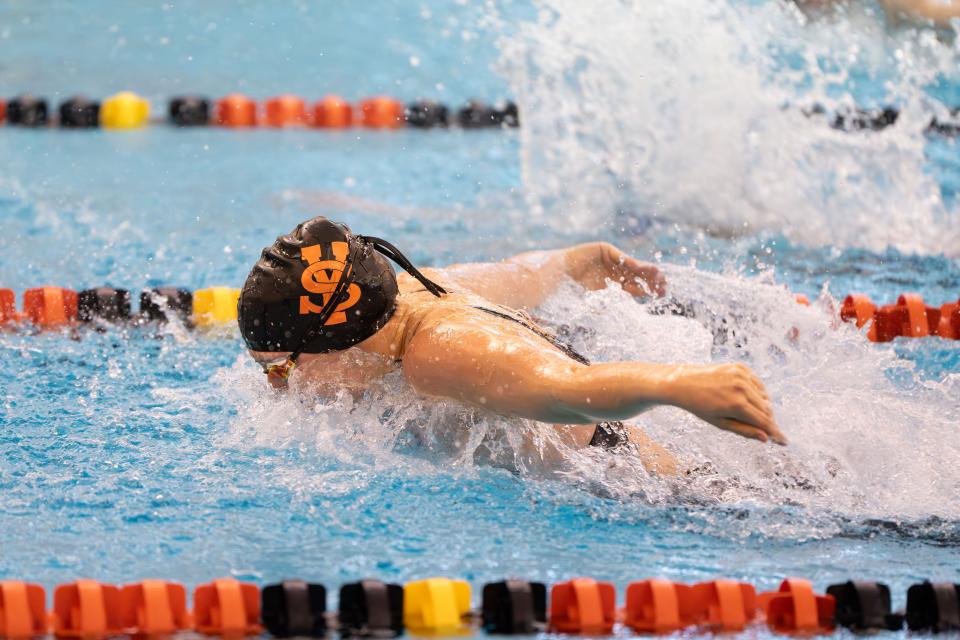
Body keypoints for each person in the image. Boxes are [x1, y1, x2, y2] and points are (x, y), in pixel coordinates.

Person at [238, 217, 786, 476]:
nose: (280, 387)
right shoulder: (417, 288)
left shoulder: (440, 354)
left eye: (283, 369)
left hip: (669, 492)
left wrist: (683, 386)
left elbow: (569, 391)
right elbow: (532, 271)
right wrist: (588, 258)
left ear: (339, 341)